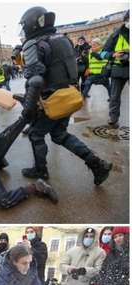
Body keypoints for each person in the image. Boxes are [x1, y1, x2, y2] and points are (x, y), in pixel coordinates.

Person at [16, 6, 113, 184]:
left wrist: (28, 111)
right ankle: (98, 164)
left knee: (36, 135)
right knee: (60, 134)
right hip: (70, 95)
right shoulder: (63, 39)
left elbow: (36, 81)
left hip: (54, 100)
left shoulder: (35, 44)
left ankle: (41, 170)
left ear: (32, 24)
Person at [101, 9, 129, 127]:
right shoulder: (116, 34)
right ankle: (113, 117)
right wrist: (113, 55)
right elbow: (103, 53)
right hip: (119, 68)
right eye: (128, 20)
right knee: (114, 95)